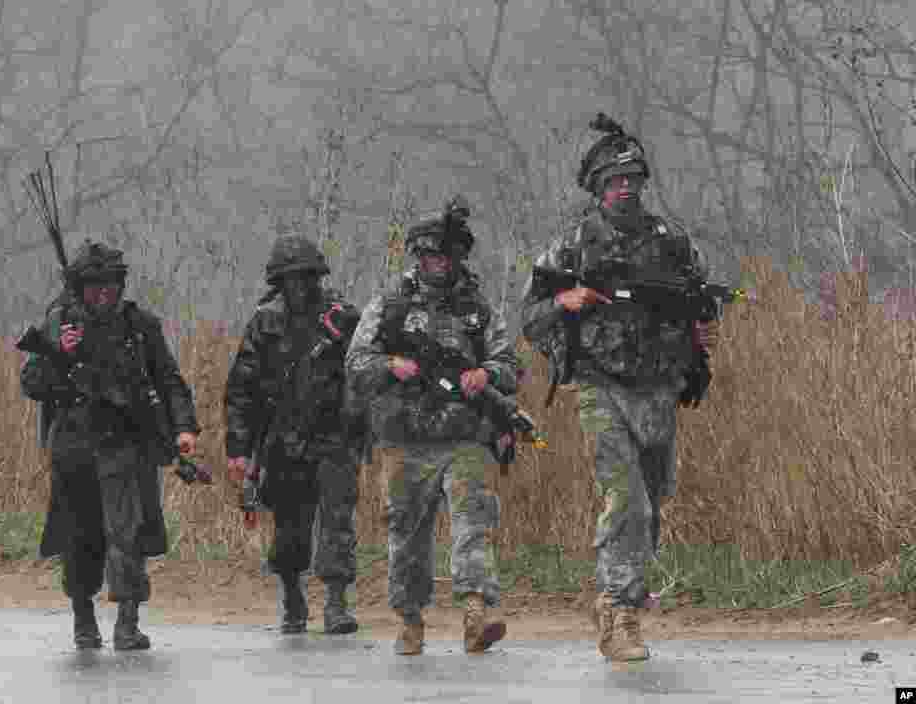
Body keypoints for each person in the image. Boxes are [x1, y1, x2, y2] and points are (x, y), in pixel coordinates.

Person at [519, 114, 719, 662]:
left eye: (632, 178)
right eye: (614, 180)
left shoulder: (671, 243)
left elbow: (699, 308)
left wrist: (699, 345)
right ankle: (619, 610)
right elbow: (529, 316)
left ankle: (624, 587)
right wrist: (566, 302)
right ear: (598, 187)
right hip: (599, 386)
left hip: (657, 389)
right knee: (624, 497)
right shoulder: (572, 247)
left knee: (650, 506)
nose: (624, 188)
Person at [344, 196, 518, 656]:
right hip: (406, 438)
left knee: (472, 524)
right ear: (418, 259)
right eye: (430, 256)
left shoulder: (478, 310)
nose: (438, 264)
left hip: (464, 436)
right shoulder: (390, 306)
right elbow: (356, 362)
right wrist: (391, 364)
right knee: (406, 532)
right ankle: (410, 619)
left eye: (446, 256)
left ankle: (476, 613)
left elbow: (509, 364)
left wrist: (488, 374)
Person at [19, 239, 201, 650]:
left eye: (111, 286)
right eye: (94, 287)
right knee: (80, 536)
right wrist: (57, 355)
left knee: (128, 534)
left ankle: (127, 622)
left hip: (127, 443)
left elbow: (168, 380)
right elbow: (31, 383)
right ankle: (83, 619)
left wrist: (184, 426)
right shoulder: (60, 324)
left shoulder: (140, 327)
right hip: (75, 446)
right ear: (80, 288)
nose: (104, 294)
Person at [224, 234, 362, 635]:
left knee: (337, 521)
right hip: (284, 439)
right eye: (290, 279)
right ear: (279, 282)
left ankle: (336, 602)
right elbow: (241, 388)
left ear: (316, 277)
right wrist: (239, 448)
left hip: (334, 435)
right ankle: (292, 595)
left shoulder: (342, 318)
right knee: (290, 528)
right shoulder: (265, 321)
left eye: (305, 277)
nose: (299, 286)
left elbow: (365, 372)